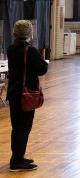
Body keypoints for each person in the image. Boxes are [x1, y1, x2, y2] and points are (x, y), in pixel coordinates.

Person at [6, 20, 48, 172]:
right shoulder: (30, 50)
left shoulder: (11, 48)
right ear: (29, 33)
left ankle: (16, 156)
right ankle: (17, 161)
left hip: (13, 93)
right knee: (24, 128)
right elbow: (42, 69)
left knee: (16, 127)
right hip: (26, 95)